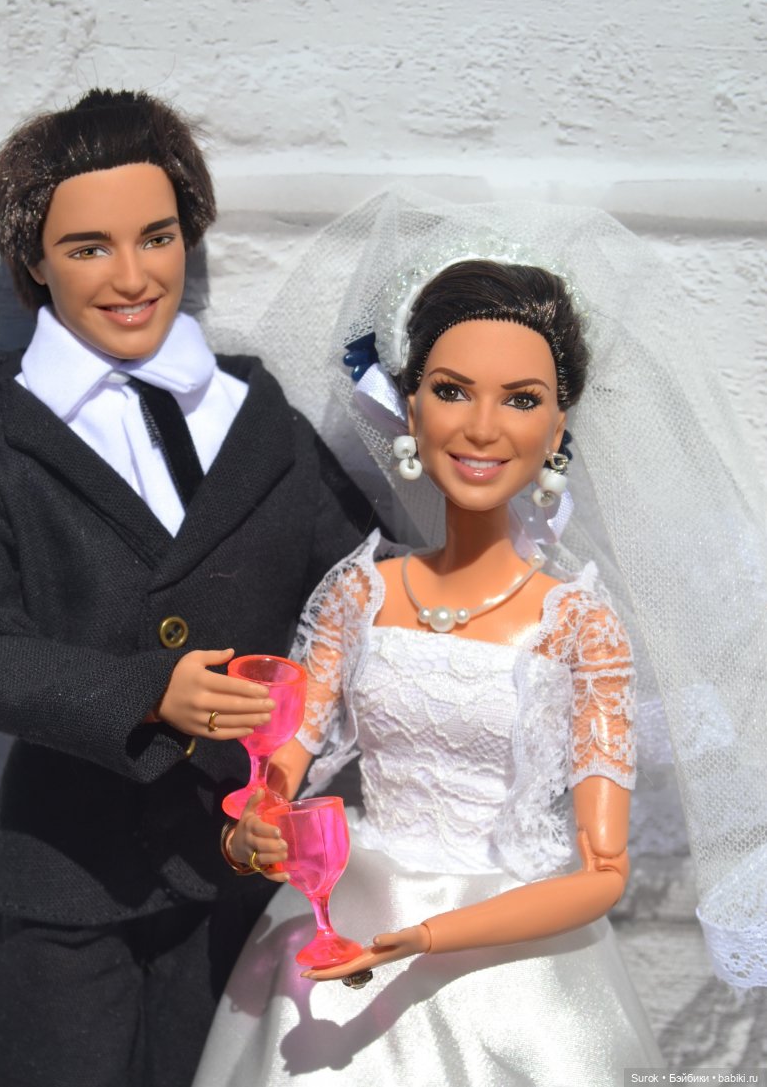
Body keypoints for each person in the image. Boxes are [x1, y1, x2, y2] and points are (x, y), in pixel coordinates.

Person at [192, 191, 767, 1085]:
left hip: (519, 981)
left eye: (521, 399)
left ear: (557, 427)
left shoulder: (578, 623)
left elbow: (603, 869)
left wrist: (426, 935)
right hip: (345, 929)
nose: (484, 427)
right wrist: (255, 828)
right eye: (452, 390)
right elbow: (278, 769)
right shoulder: (359, 592)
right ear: (410, 405)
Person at [0, 89, 376, 1087]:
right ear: (34, 260)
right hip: (70, 877)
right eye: (87, 247)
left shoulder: (261, 423)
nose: (131, 277)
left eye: (157, 237)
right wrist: (144, 691)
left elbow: (360, 589)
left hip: (238, 873)